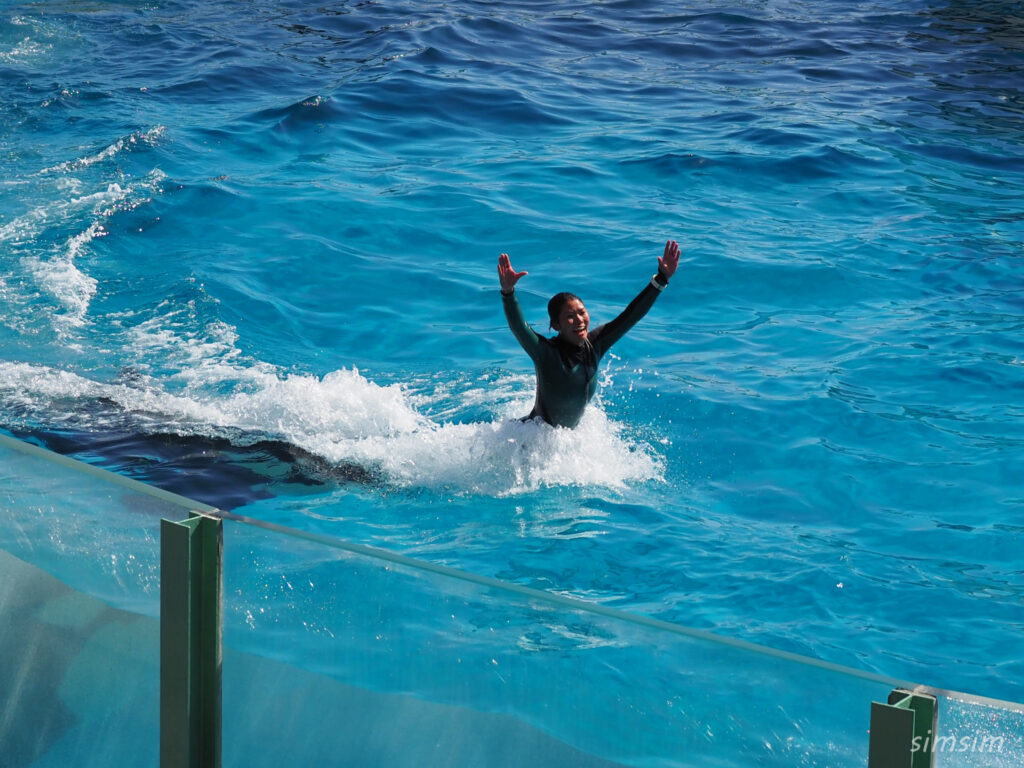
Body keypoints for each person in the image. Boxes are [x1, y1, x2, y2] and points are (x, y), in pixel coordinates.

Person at [498, 240, 680, 428]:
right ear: (556, 324)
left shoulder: (595, 345)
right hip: (532, 435)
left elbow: (629, 317)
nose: (579, 320)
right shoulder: (545, 353)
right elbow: (519, 327)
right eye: (570, 316)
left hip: (564, 439)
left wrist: (661, 279)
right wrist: (508, 292)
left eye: (582, 312)